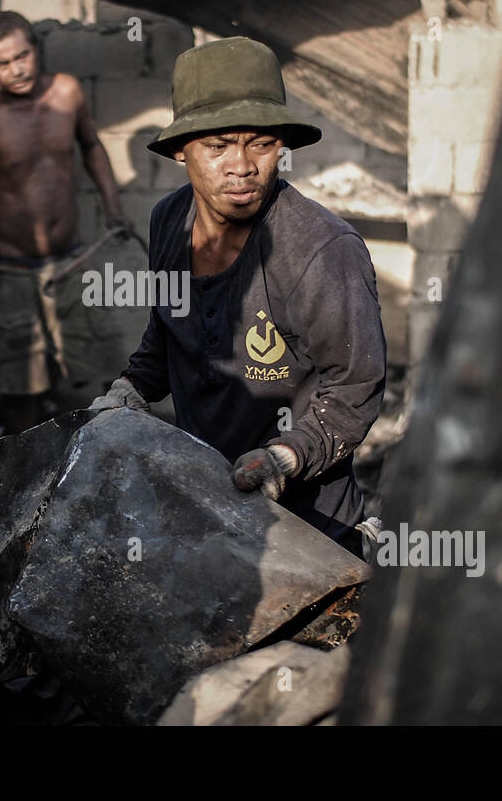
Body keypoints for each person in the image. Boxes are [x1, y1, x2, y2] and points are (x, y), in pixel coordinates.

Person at [90, 36, 386, 549]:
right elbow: (169, 330)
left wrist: (285, 457)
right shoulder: (169, 221)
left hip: (309, 530)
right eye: (218, 145)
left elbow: (355, 387)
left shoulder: (321, 248)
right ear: (182, 150)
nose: (243, 165)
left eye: (262, 143)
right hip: (205, 507)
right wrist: (127, 394)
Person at [0, 11, 132, 433]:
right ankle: (27, 480)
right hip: (12, 271)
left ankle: (82, 474)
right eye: (3, 63)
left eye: (23, 55)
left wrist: (113, 206)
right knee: (22, 391)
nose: (17, 68)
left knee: (85, 380)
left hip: (71, 263)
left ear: (36, 50)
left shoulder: (67, 92)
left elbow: (92, 146)